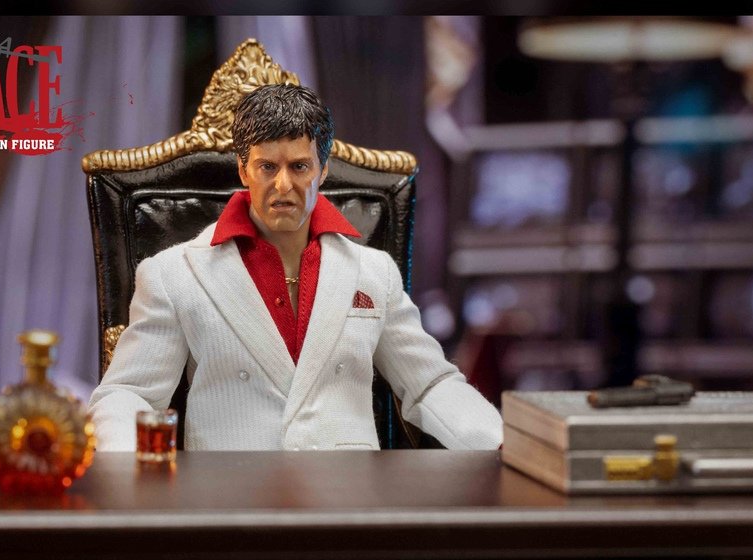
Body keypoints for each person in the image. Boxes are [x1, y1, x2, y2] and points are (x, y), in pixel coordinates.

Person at [89, 83, 502, 451]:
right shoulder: (174, 275)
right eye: (267, 167)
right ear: (243, 169)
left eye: (299, 167)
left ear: (323, 169)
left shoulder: (375, 272)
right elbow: (129, 393)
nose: (283, 185)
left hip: (349, 494)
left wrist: (504, 445)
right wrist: (125, 474)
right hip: (230, 494)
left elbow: (429, 384)